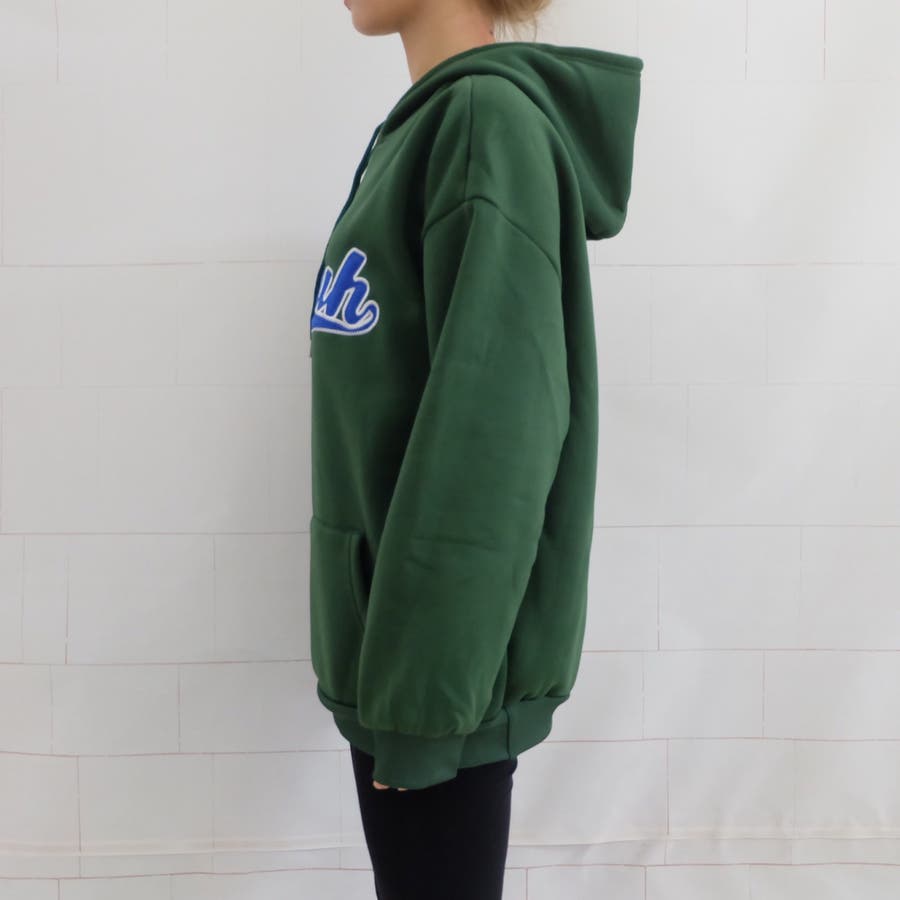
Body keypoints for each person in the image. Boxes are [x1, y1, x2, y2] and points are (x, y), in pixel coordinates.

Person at [307, 0, 643, 896]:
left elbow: (490, 444)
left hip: (435, 686)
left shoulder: (482, 124)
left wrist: (422, 710)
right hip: (398, 663)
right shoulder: (425, 127)